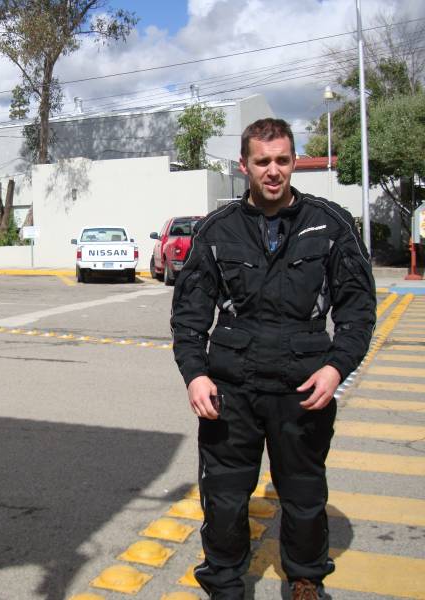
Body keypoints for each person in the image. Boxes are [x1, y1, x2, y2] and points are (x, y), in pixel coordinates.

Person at [170, 118, 375, 600]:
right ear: (244, 166)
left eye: (282, 160)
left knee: (304, 494)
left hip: (302, 389)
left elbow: (358, 311)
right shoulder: (217, 230)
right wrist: (195, 376)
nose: (273, 170)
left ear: (294, 161)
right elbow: (189, 317)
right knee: (224, 496)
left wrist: (336, 368)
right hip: (230, 392)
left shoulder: (330, 224)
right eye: (262, 161)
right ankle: (224, 583)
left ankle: (305, 578)